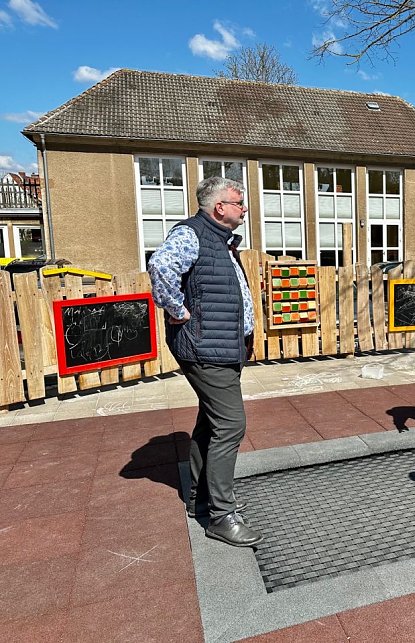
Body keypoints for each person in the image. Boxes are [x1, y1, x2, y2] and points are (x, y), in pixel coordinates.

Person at [148, 176, 263, 548]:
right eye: (239, 202)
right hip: (205, 348)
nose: (244, 208)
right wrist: (179, 311)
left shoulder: (219, 240)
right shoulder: (192, 234)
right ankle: (221, 515)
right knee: (230, 425)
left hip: (220, 347)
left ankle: (200, 497)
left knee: (210, 423)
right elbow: (161, 266)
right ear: (219, 208)